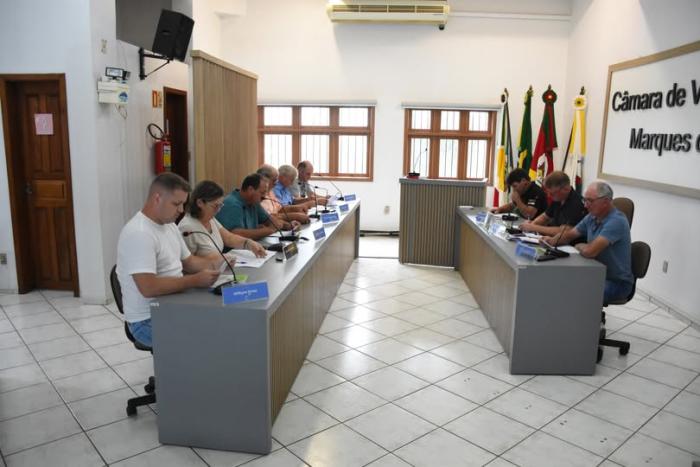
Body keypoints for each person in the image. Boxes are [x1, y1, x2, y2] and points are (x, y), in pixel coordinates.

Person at [116, 173, 220, 347]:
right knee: (209, 339)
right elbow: (148, 288)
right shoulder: (139, 233)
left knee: (221, 320)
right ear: (157, 198)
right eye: (176, 204)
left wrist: (218, 263)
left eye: (183, 204)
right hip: (147, 320)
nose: (181, 210)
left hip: (172, 304)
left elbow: (189, 262)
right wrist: (194, 280)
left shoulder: (169, 225)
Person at [543, 180, 633, 304]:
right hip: (594, 272)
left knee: (574, 294)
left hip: (616, 283)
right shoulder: (592, 216)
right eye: (585, 200)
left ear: (606, 201)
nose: (585, 205)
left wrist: (581, 246)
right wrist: (551, 241)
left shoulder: (616, 221)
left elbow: (590, 252)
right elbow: (570, 234)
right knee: (558, 281)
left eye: (590, 201)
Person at [178, 180, 267, 259]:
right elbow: (187, 263)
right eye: (215, 206)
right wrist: (219, 261)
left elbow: (229, 238)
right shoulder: (187, 227)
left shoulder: (211, 219)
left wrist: (248, 243)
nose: (218, 210)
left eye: (220, 205)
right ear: (200, 203)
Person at [216, 173, 296, 240]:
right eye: (262, 193)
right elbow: (236, 234)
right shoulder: (232, 204)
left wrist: (288, 225)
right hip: (233, 250)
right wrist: (269, 230)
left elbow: (268, 220)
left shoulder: (253, 201)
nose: (264, 196)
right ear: (250, 189)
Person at [520, 171, 587, 236]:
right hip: (555, 240)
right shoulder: (558, 198)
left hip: (573, 242)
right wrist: (532, 224)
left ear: (565, 189)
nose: (549, 196)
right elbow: (544, 217)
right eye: (548, 193)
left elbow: (564, 232)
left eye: (552, 193)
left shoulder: (577, 204)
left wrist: (534, 227)